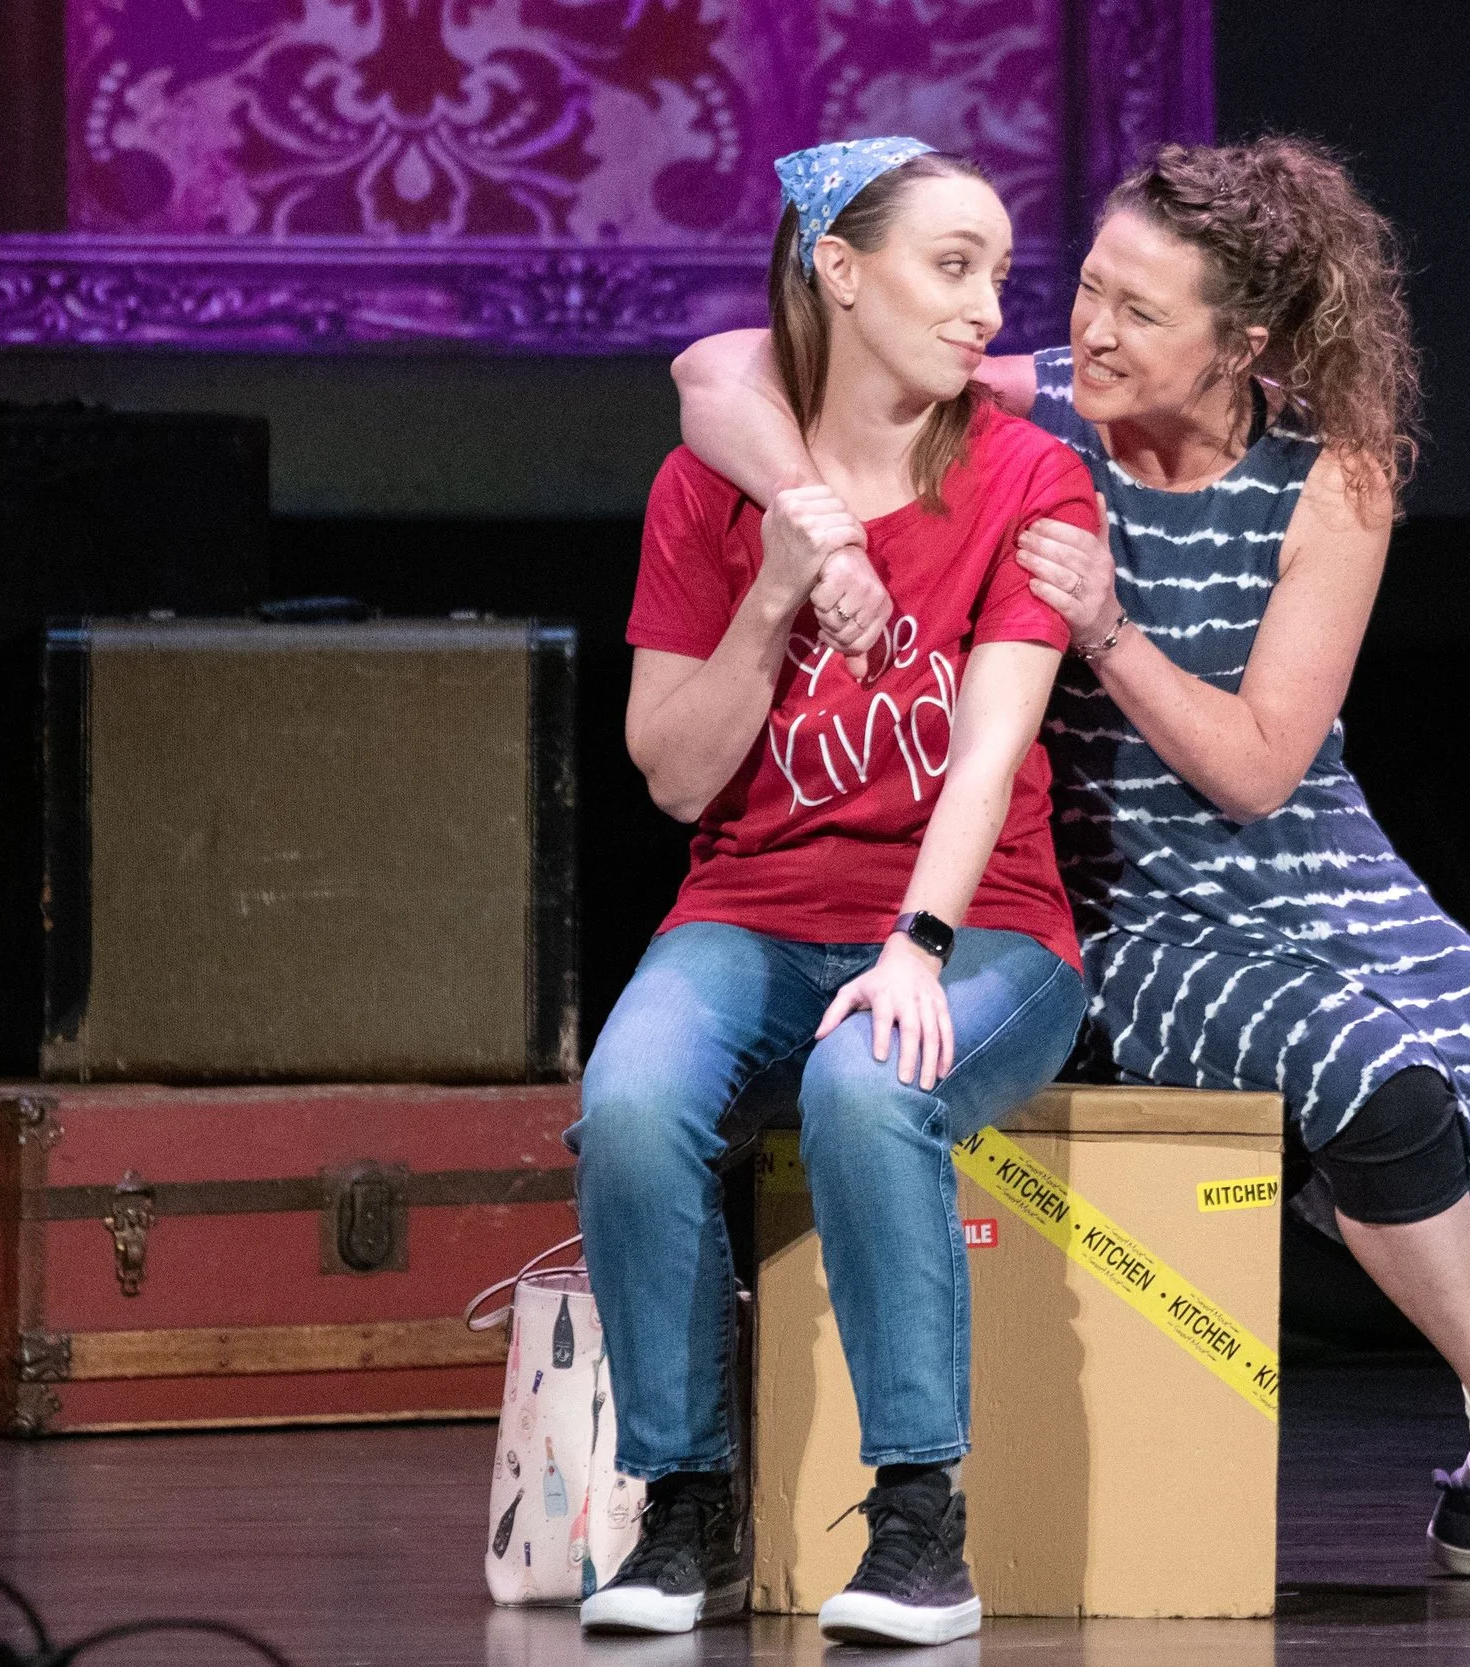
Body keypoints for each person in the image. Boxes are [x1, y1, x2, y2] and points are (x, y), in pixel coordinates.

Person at [671, 136, 1470, 1608]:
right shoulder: (1038, 414)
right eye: (1089, 287)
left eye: (1140, 312)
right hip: (1134, 902)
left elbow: (1261, 766)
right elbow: (717, 369)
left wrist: (1113, 633)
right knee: (1381, 1083)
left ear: (1249, 340)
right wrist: (811, 513)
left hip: (1324, 869)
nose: (1088, 327)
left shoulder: (1330, 476)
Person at [571, 137, 1094, 1646]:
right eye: (954, 265)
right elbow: (673, 776)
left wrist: (921, 945)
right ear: (841, 275)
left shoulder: (1025, 474)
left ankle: (923, 1521)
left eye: (1000, 267)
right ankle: (685, 1508)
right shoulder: (712, 489)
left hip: (980, 916)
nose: (990, 302)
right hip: (749, 904)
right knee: (630, 1097)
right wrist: (779, 586)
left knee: (872, 1084)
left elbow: (991, 754)